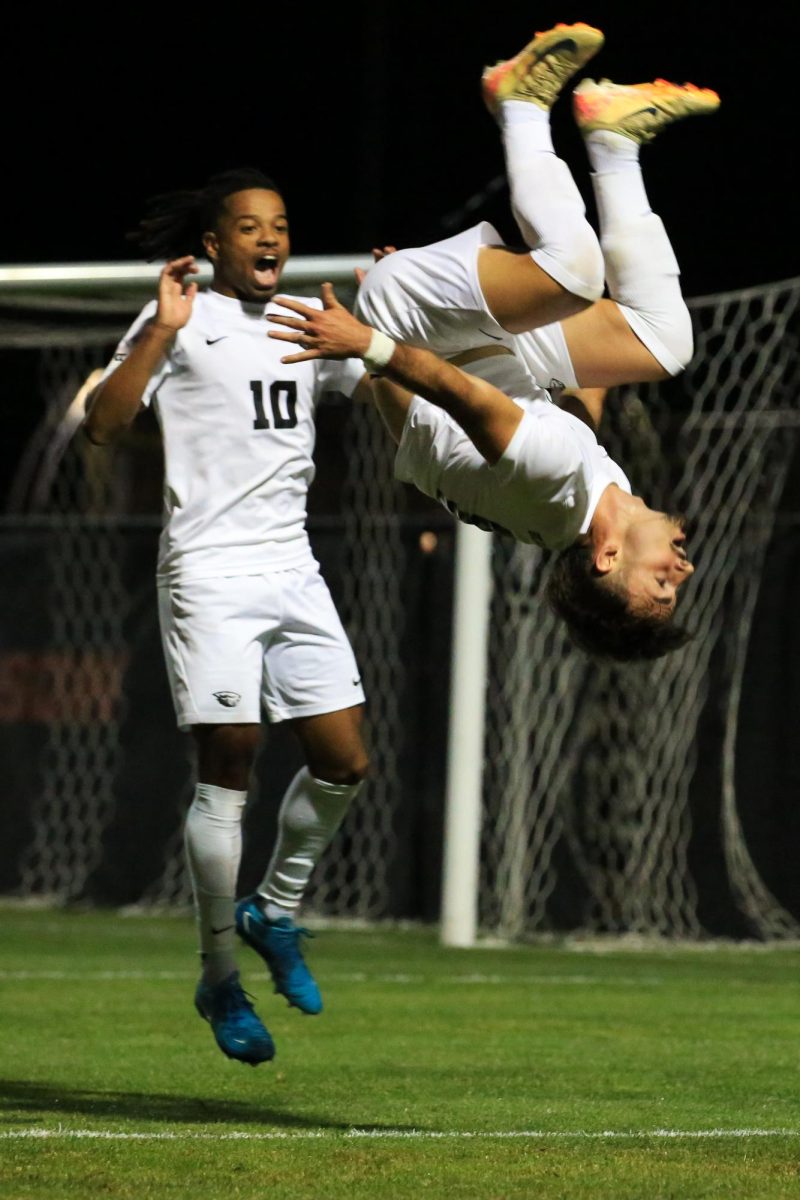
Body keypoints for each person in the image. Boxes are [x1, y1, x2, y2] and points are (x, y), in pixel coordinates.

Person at [268, 23, 718, 661]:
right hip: (461, 342)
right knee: (664, 345)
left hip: (421, 334)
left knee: (575, 273)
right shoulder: (579, 500)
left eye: (661, 589)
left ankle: (521, 105)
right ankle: (614, 140)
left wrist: (372, 339)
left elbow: (461, 397)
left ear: (608, 556)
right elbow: (566, 405)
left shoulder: (553, 484)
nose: (683, 573)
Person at [83, 169, 371, 1066]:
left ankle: (273, 909)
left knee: (345, 759)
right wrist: (160, 332)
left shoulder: (306, 323)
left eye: (280, 225)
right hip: (208, 568)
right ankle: (218, 976)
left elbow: (388, 394)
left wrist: (385, 330)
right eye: (249, 227)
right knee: (232, 757)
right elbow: (103, 423)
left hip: (293, 565)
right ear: (214, 244)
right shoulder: (181, 316)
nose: (269, 239)